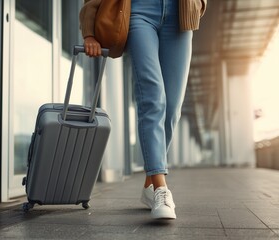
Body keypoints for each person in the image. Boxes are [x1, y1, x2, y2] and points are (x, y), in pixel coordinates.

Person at [79, 0, 206, 219]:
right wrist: (89, 31)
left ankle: (149, 184)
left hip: (179, 14)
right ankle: (160, 188)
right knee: (153, 98)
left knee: (173, 107)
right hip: (139, 12)